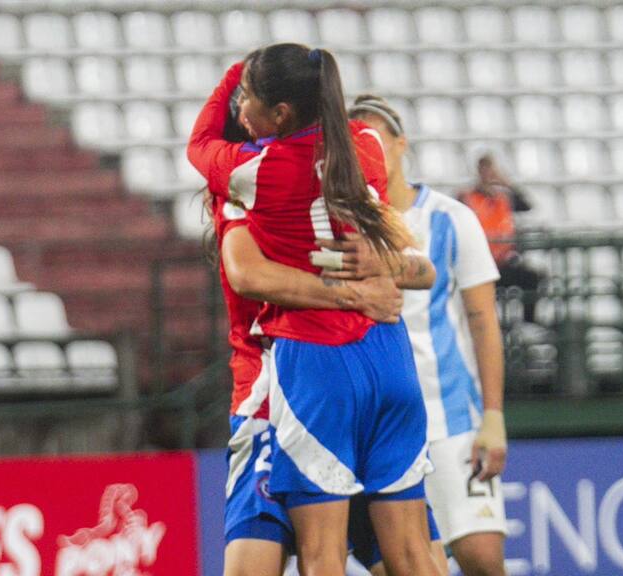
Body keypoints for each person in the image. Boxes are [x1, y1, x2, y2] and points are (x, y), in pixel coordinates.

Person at [189, 44, 443, 576]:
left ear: (278, 114)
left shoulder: (250, 174)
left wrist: (236, 68)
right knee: (415, 553)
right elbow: (424, 270)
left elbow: (246, 271)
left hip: (310, 365)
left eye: (248, 98)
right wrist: (379, 274)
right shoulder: (365, 147)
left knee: (320, 553)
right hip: (388, 350)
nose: (240, 106)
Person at [323, 95, 509, 576]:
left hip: (450, 417)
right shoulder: (339, 224)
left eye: (375, 140)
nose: (366, 151)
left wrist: (493, 416)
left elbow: (483, 320)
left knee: (483, 559)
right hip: (382, 421)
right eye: (354, 143)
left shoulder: (451, 218)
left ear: (401, 144)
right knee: (411, 562)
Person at [457, 154, 541, 324]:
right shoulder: (467, 197)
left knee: (532, 277)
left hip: (504, 262)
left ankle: (529, 323)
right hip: (478, 263)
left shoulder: (504, 197)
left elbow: (527, 206)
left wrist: (508, 184)